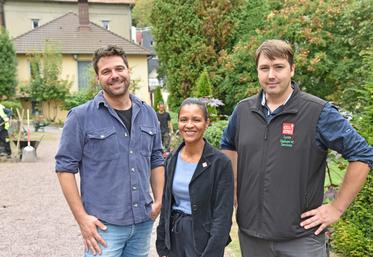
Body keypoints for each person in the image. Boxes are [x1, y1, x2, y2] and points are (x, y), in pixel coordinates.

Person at [221, 39, 373, 257]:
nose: (271, 75)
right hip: (252, 237)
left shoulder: (318, 112)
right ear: (257, 71)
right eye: (264, 68)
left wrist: (337, 208)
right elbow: (228, 145)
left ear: (292, 69)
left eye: (278, 67)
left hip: (301, 240)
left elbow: (363, 155)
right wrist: (234, 187)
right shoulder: (243, 111)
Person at [55, 45, 165, 257]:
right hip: (104, 227)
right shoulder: (80, 117)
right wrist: (82, 219)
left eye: (119, 68)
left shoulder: (148, 113)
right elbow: (64, 169)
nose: (114, 75)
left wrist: (159, 200)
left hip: (142, 223)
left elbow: (156, 158)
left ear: (128, 71)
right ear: (98, 78)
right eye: (106, 72)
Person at [156, 98, 234, 257]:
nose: (189, 125)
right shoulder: (171, 159)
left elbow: (223, 216)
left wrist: (212, 252)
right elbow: (166, 204)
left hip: (203, 240)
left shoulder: (220, 163)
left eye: (196, 120)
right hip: (175, 237)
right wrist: (162, 245)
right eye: (184, 120)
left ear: (207, 123)